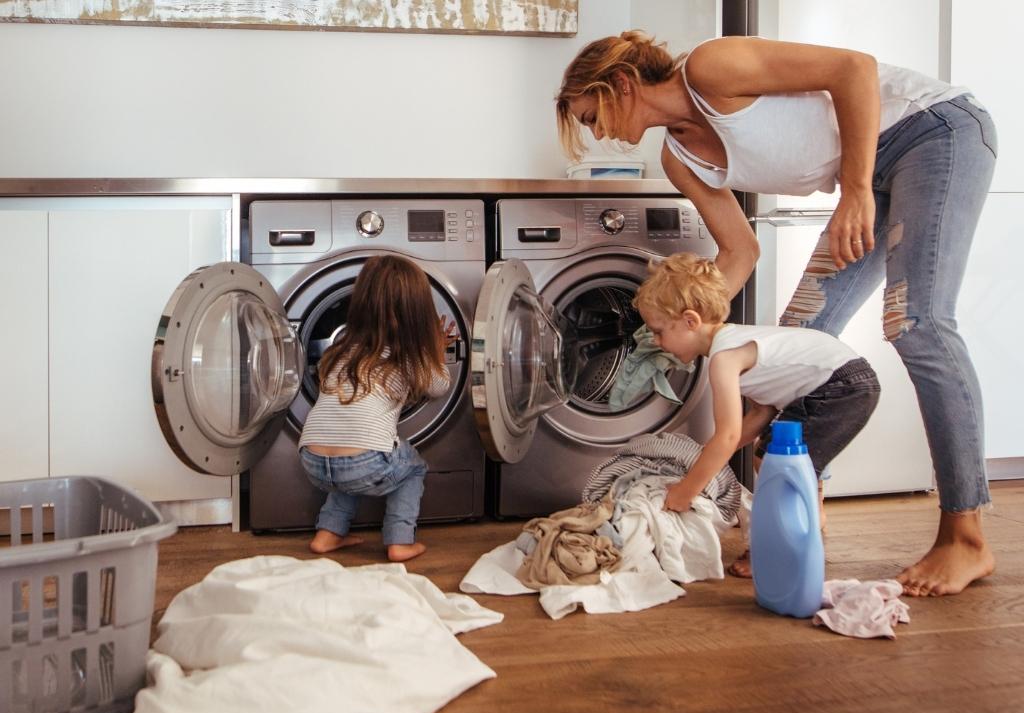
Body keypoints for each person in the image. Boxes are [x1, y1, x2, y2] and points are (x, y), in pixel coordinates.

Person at [556, 31, 998, 597]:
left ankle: (966, 534)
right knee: (793, 345)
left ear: (620, 83)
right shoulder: (679, 158)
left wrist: (856, 191)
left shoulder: (712, 68)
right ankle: (798, 522)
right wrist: (677, 324)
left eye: (593, 116)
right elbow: (740, 253)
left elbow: (854, 69)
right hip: (874, 172)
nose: (597, 134)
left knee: (917, 323)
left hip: (933, 132)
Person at [634, 252, 880, 576]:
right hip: (844, 381)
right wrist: (705, 458)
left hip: (839, 385)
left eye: (658, 331)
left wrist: (686, 490)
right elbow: (761, 414)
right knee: (772, 455)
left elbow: (728, 435)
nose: (655, 341)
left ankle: (777, 548)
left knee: (775, 461)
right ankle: (803, 524)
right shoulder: (733, 342)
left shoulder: (724, 358)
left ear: (690, 321)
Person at [298, 254, 456, 562]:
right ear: (418, 313)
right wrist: (435, 350)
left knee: (349, 452)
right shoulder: (409, 356)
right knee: (412, 468)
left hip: (312, 460)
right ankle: (400, 541)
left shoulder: (342, 348)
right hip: (364, 463)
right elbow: (439, 386)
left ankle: (327, 534)